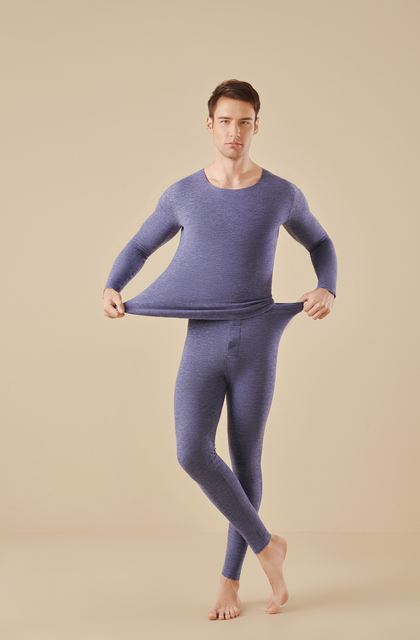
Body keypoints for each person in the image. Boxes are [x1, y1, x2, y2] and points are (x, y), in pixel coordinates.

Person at [102, 79, 337, 621]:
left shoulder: (281, 194)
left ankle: (230, 580)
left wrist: (327, 286)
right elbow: (140, 245)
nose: (235, 131)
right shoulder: (182, 194)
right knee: (191, 451)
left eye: (244, 122)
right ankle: (268, 546)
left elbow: (321, 242)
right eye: (225, 121)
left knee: (245, 459)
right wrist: (114, 284)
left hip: (258, 338)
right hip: (203, 340)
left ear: (256, 126)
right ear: (210, 125)